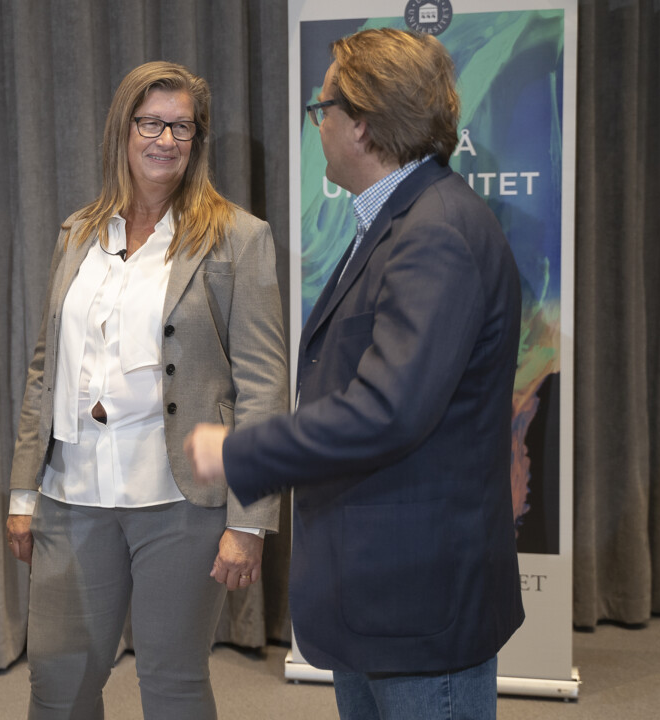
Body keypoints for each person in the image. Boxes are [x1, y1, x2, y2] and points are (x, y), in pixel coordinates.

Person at [185, 28, 525, 720]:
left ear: (362, 124)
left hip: (419, 607)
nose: (320, 123)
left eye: (323, 108)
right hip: (383, 597)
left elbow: (387, 410)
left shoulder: (435, 232)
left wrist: (239, 449)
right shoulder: (401, 219)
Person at [6, 61, 286, 719]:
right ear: (122, 131)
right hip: (71, 492)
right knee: (57, 685)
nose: (165, 140)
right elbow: (44, 370)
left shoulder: (238, 239)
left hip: (180, 499)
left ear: (198, 138)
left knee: (172, 684)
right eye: (151, 123)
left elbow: (264, 388)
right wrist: (23, 491)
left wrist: (249, 520)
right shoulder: (79, 233)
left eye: (181, 127)